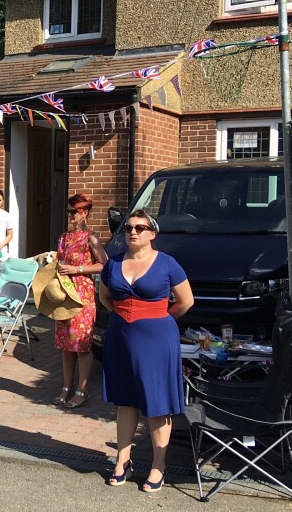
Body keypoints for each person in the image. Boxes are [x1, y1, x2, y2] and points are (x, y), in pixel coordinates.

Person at [98, 209, 194, 492]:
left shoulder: (167, 263)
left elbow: (185, 301)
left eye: (140, 227)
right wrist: (121, 316)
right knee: (126, 400)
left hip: (156, 338)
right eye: (128, 228)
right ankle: (122, 460)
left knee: (156, 401)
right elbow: (105, 296)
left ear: (153, 233)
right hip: (120, 337)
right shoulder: (113, 263)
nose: (133, 232)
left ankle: (158, 465)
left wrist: (161, 320)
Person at [53, 194, 108, 409]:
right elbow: (59, 262)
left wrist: (78, 269)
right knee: (66, 345)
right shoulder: (64, 237)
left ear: (84, 213)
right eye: (68, 212)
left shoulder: (90, 237)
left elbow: (105, 265)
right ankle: (66, 388)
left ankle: (82, 390)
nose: (69, 215)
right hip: (64, 294)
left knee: (82, 345)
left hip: (82, 296)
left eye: (72, 212)